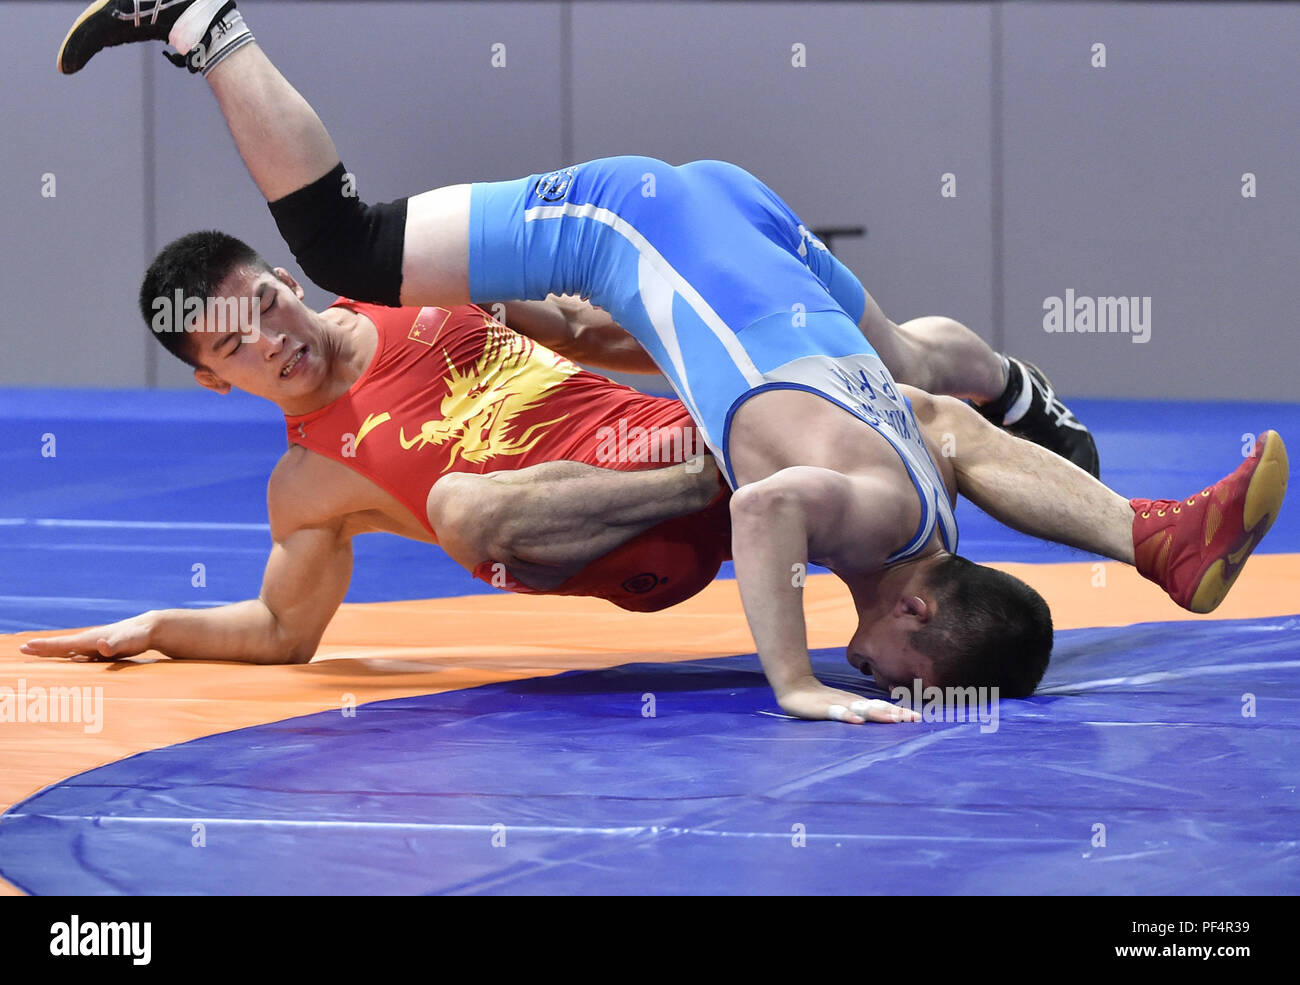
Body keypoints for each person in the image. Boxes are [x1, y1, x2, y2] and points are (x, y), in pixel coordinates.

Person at [47, 1, 1286, 726]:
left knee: (353, 239)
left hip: (662, 322)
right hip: (687, 343)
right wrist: (158, 625)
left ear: (285, 288)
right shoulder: (308, 485)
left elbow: (600, 338)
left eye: (267, 295)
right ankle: (1088, 468)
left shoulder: (411, 310)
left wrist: (790, 668)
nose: (271, 330)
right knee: (905, 376)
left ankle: (200, 24)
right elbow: (281, 626)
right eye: (233, 342)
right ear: (215, 380)